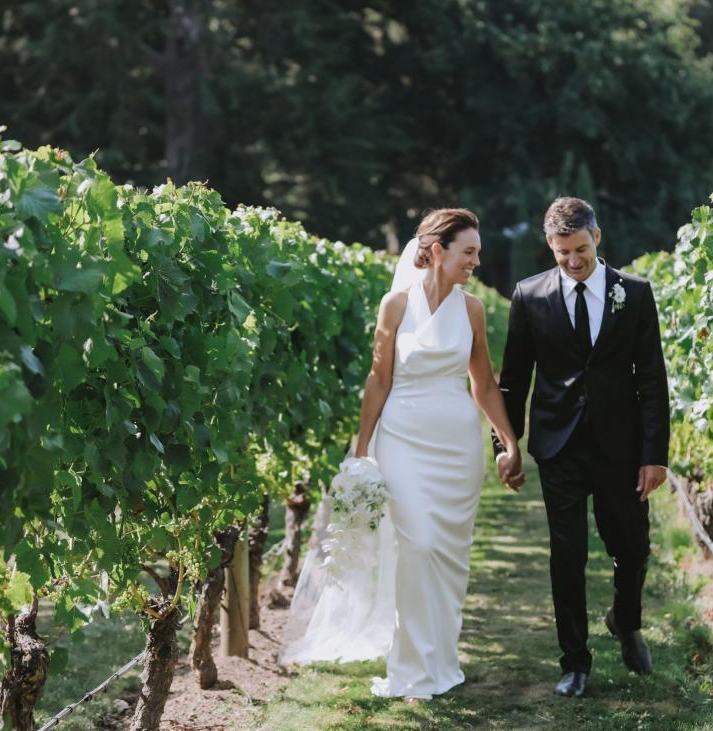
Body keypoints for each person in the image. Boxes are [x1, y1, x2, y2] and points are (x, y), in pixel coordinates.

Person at [279, 208, 522, 702]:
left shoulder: (472, 309)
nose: (476, 261)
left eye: (477, 252)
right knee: (419, 547)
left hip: (457, 448)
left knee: (449, 559)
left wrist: (509, 442)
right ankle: (410, 671)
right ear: (437, 251)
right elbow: (379, 380)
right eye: (468, 252)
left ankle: (441, 662)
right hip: (403, 442)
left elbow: (484, 384)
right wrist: (363, 449)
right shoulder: (395, 305)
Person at [494, 196, 670, 698]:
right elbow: (513, 381)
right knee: (566, 554)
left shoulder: (634, 293)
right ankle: (575, 661)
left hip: (621, 445)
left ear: (598, 237)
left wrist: (654, 453)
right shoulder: (529, 296)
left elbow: (652, 379)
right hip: (559, 445)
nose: (573, 261)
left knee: (632, 549)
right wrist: (506, 444)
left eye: (581, 250)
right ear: (549, 245)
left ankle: (626, 620)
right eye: (562, 252)